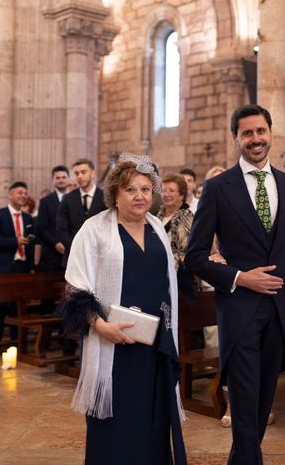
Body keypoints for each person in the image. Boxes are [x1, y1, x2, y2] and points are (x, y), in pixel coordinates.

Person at [185, 104, 285, 464]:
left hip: (279, 308)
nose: (255, 139)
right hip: (239, 309)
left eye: (261, 131)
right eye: (247, 133)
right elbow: (194, 256)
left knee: (262, 398)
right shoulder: (217, 188)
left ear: (271, 133)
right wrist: (241, 278)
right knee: (242, 397)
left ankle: (241, 459)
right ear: (235, 138)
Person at [62, 153, 186, 464]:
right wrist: (101, 326)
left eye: (145, 189)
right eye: (131, 189)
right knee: (115, 424)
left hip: (154, 346)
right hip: (112, 346)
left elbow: (168, 282)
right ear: (115, 193)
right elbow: (76, 287)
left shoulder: (158, 227)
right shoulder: (94, 229)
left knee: (152, 420)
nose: (140, 196)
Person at [0, 181, 35, 342]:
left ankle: (16, 339)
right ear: (10, 195)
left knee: (18, 306)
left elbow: (31, 242)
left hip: (21, 266)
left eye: (25, 193)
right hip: (2, 266)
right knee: (0, 305)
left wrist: (31, 267)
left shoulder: (28, 217)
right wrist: (15, 241)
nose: (23, 196)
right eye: (20, 192)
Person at [56, 158, 106, 266]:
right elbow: (61, 229)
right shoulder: (67, 199)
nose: (79, 176)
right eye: (76, 173)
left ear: (92, 173)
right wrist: (77, 248)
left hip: (100, 257)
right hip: (73, 257)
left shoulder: (105, 198)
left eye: (83, 172)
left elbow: (110, 226)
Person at [156, 173, 195, 294]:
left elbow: (186, 252)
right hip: (157, 274)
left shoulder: (187, 217)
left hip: (177, 280)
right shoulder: (158, 215)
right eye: (164, 190)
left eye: (171, 191)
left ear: (181, 194)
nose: (166, 194)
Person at [37, 165, 70, 272]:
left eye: (64, 177)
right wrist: (56, 243)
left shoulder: (76, 199)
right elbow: (41, 227)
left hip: (72, 254)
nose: (61, 180)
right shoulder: (45, 202)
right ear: (53, 180)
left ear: (68, 179)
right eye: (57, 178)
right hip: (51, 255)